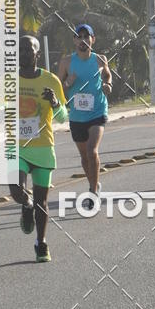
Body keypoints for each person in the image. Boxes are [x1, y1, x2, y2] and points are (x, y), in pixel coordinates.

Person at [9, 35, 67, 263]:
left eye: (28, 50)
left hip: (43, 146)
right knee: (15, 190)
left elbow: (63, 117)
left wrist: (54, 103)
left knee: (42, 202)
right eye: (20, 50)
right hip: (17, 147)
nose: (23, 53)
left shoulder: (51, 81)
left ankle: (41, 243)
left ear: (37, 54)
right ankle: (26, 203)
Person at [58, 24, 112, 212]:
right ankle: (94, 184)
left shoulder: (99, 59)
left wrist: (107, 85)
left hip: (97, 111)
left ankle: (92, 192)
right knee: (83, 156)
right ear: (74, 41)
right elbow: (58, 90)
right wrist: (67, 83)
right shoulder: (66, 62)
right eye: (78, 37)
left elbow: (107, 76)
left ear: (92, 39)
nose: (82, 40)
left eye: (86, 37)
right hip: (77, 115)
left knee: (92, 151)